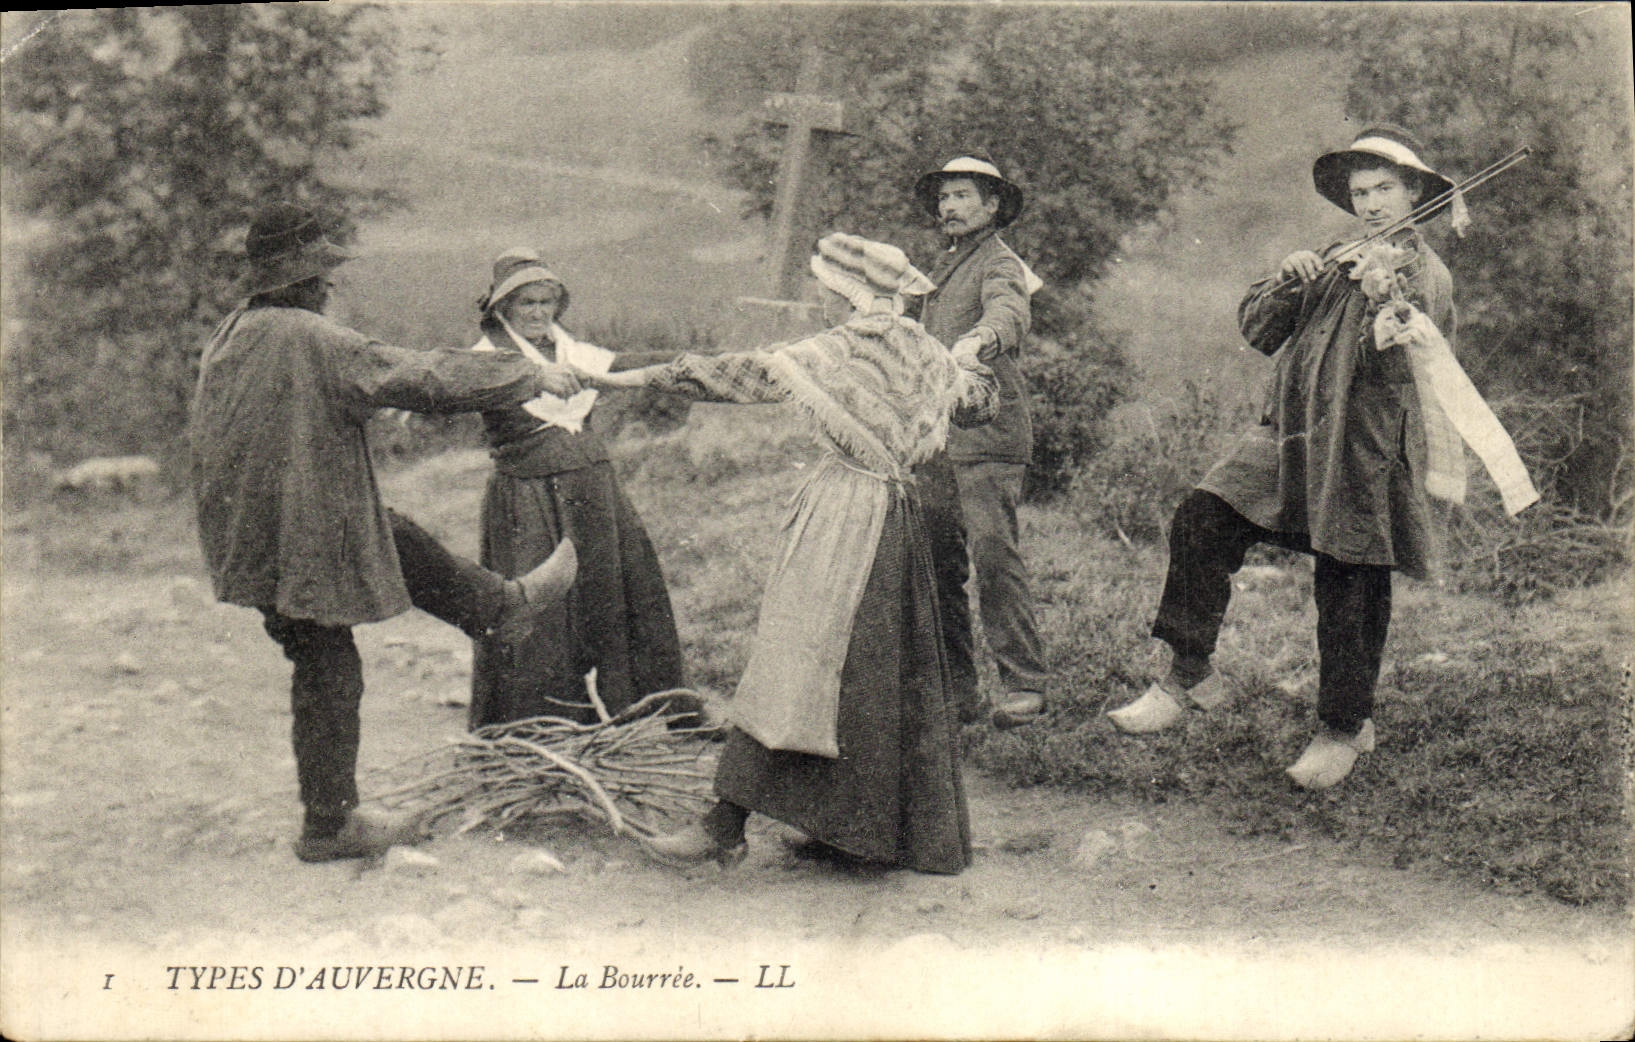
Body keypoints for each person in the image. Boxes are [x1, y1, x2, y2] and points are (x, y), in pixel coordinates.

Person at [1107, 126, 1537, 790]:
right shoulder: (1335, 254)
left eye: (1383, 189)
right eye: (1358, 192)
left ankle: (1344, 727)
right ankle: (1186, 674)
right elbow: (1258, 331)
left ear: (1415, 191)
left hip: (1365, 448)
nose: (1368, 204)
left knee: (1349, 584)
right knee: (1200, 519)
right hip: (1290, 436)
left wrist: (1382, 296)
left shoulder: (1425, 273)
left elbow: (1405, 357)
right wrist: (1286, 277)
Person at [578, 233, 998, 874]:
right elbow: (977, 400)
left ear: (845, 294)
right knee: (869, 671)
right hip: (900, 515)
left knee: (797, 657)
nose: (818, 301)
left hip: (847, 517)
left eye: (823, 290)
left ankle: (725, 826)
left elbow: (728, 375)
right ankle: (854, 831)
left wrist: (613, 377)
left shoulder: (835, 350)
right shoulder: (924, 350)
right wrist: (966, 362)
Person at [189, 202, 580, 862]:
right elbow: (421, 376)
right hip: (295, 535)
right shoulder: (310, 338)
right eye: (323, 277)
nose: (328, 287)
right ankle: (330, 825)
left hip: (252, 534)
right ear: (306, 282)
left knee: (383, 533)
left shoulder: (232, 336)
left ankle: (497, 608)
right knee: (328, 665)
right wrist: (527, 372)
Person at [466, 248, 684, 727]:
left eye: (548, 302)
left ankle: (646, 708)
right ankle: (542, 723)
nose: (540, 313)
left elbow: (625, 366)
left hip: (594, 491)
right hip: (528, 499)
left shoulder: (573, 351)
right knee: (539, 609)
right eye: (528, 304)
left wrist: (694, 364)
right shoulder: (485, 361)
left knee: (623, 592)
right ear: (503, 309)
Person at [910, 152, 1050, 730]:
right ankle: (959, 693)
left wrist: (983, 339)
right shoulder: (941, 269)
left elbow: (1009, 310)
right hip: (939, 441)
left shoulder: (999, 262)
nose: (950, 207)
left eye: (962, 196)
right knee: (939, 564)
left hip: (988, 437)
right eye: (944, 198)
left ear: (992, 206)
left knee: (993, 557)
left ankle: (1026, 686)